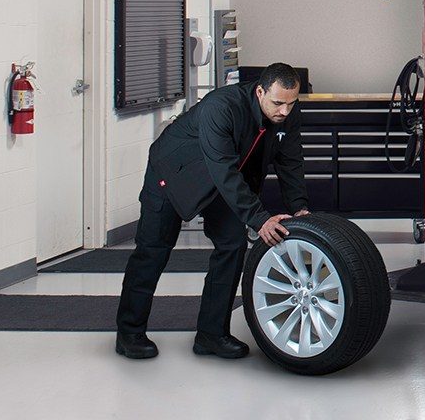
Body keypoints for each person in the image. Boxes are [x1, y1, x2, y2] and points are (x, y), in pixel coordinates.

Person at [115, 63, 310, 360]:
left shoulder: (287, 114)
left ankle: (211, 334)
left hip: (223, 179)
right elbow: (223, 169)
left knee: (231, 246)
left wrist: (299, 208)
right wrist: (260, 219)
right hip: (173, 172)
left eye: (291, 103)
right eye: (278, 103)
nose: (285, 111)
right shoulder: (221, 107)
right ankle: (129, 332)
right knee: (153, 250)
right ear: (260, 91)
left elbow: (290, 160)